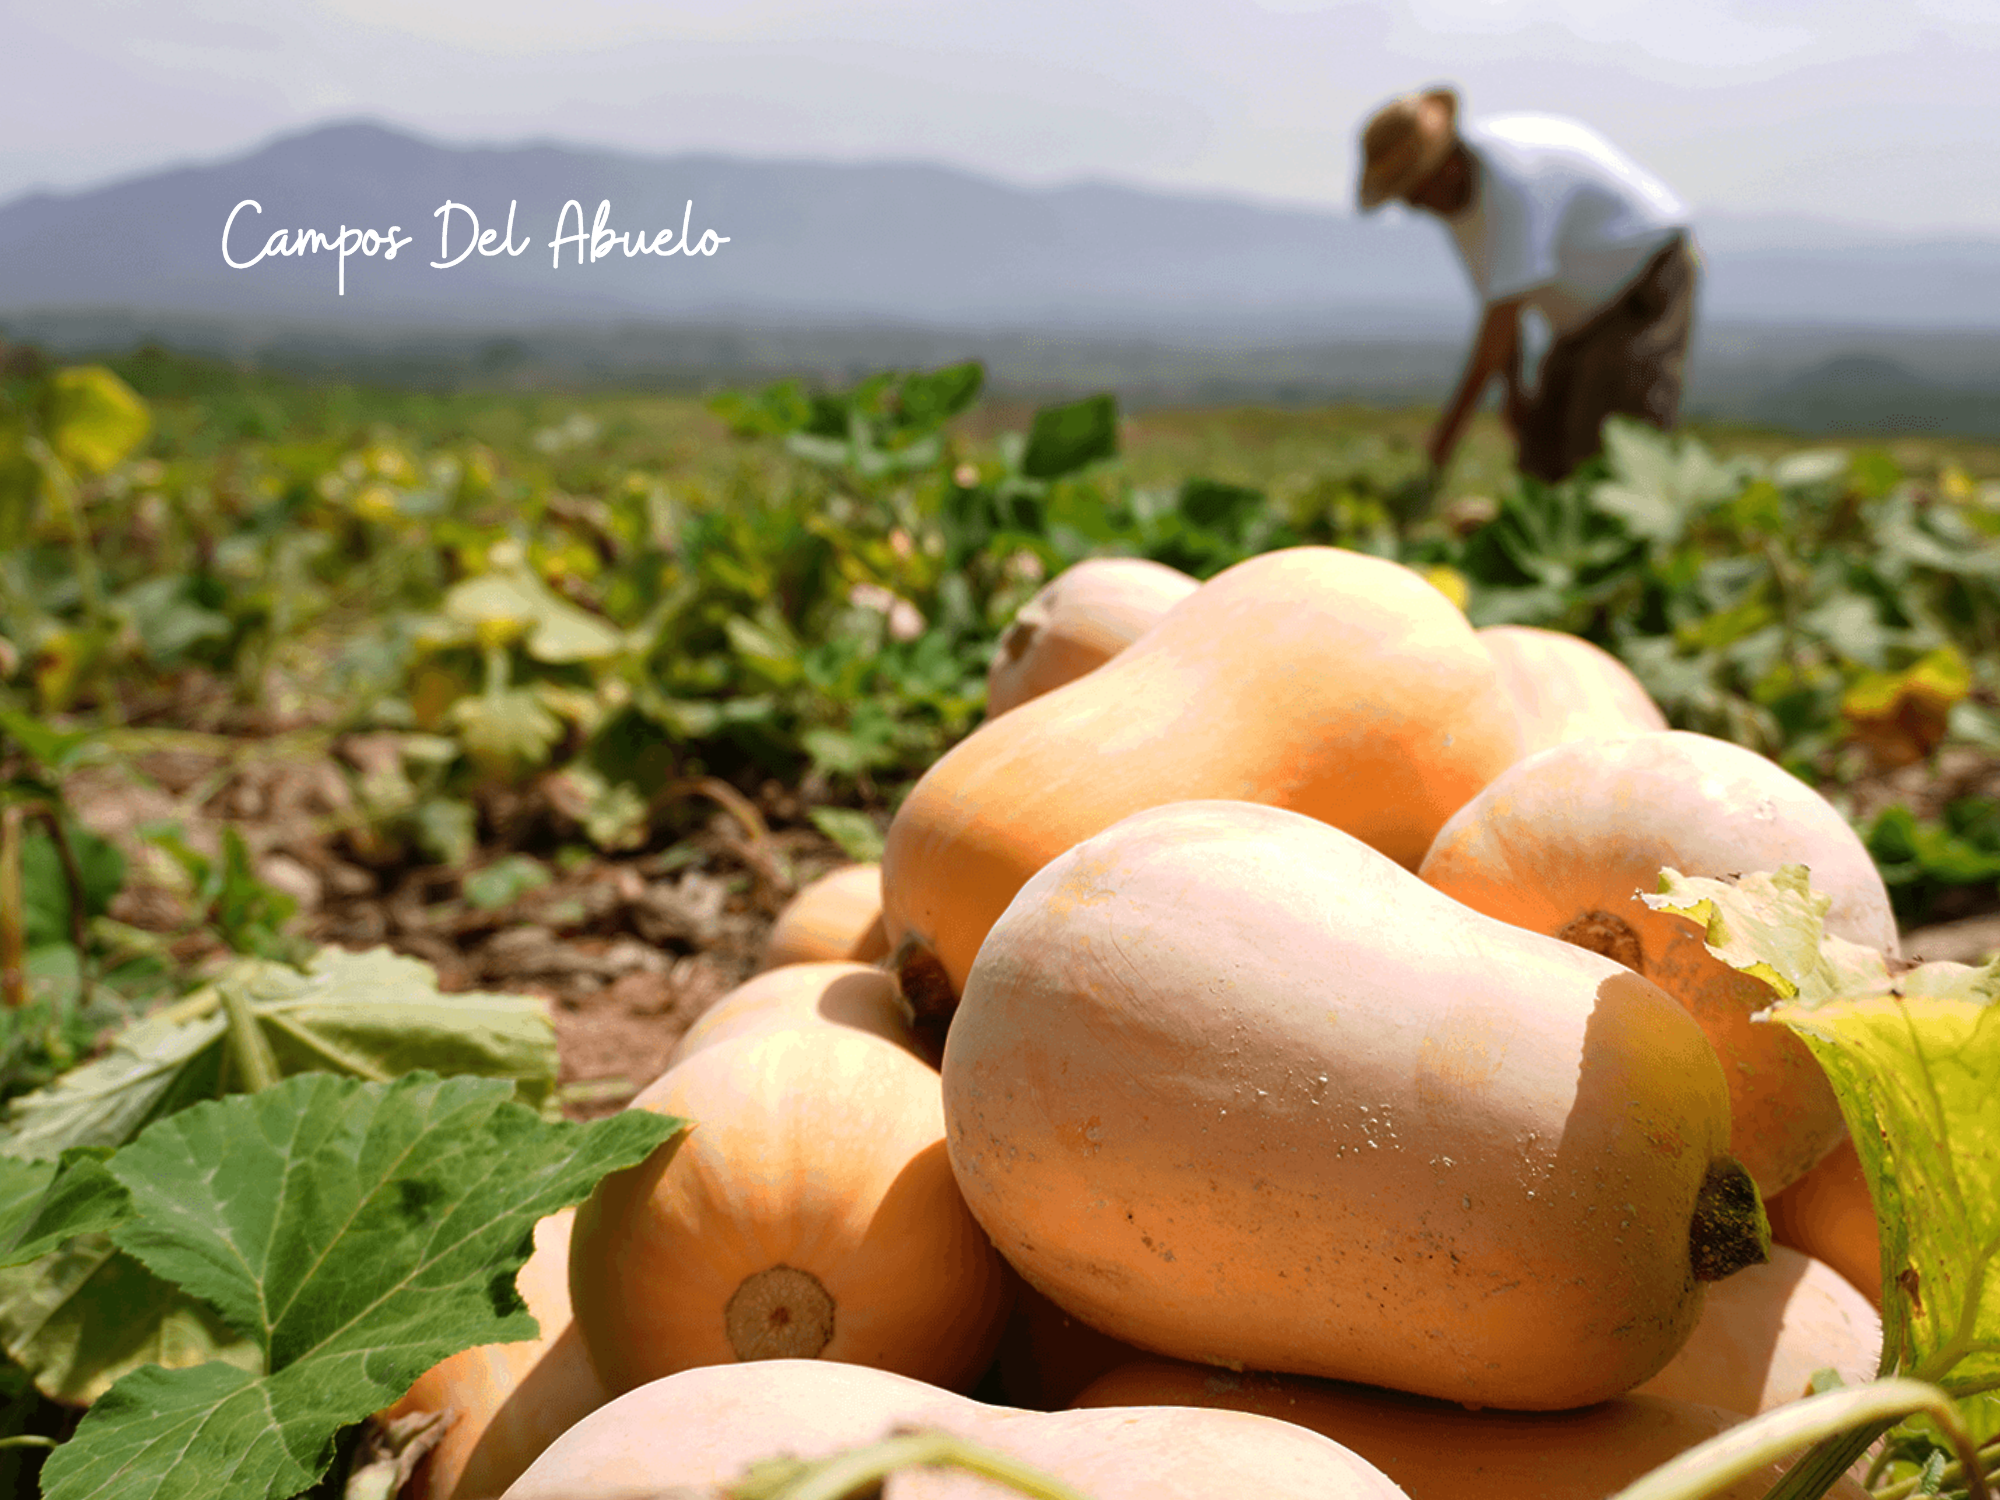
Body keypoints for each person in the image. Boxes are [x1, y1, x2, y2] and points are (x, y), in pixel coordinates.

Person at [1357, 86, 1700, 486]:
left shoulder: (1512, 180)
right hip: (1580, 317)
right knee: (1543, 448)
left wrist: (1447, 438)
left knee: (1609, 451)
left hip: (1645, 282)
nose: (1415, 209)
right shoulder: (1463, 205)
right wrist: (1515, 395)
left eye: (1414, 195)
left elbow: (1498, 327)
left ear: (1444, 169)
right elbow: (1502, 305)